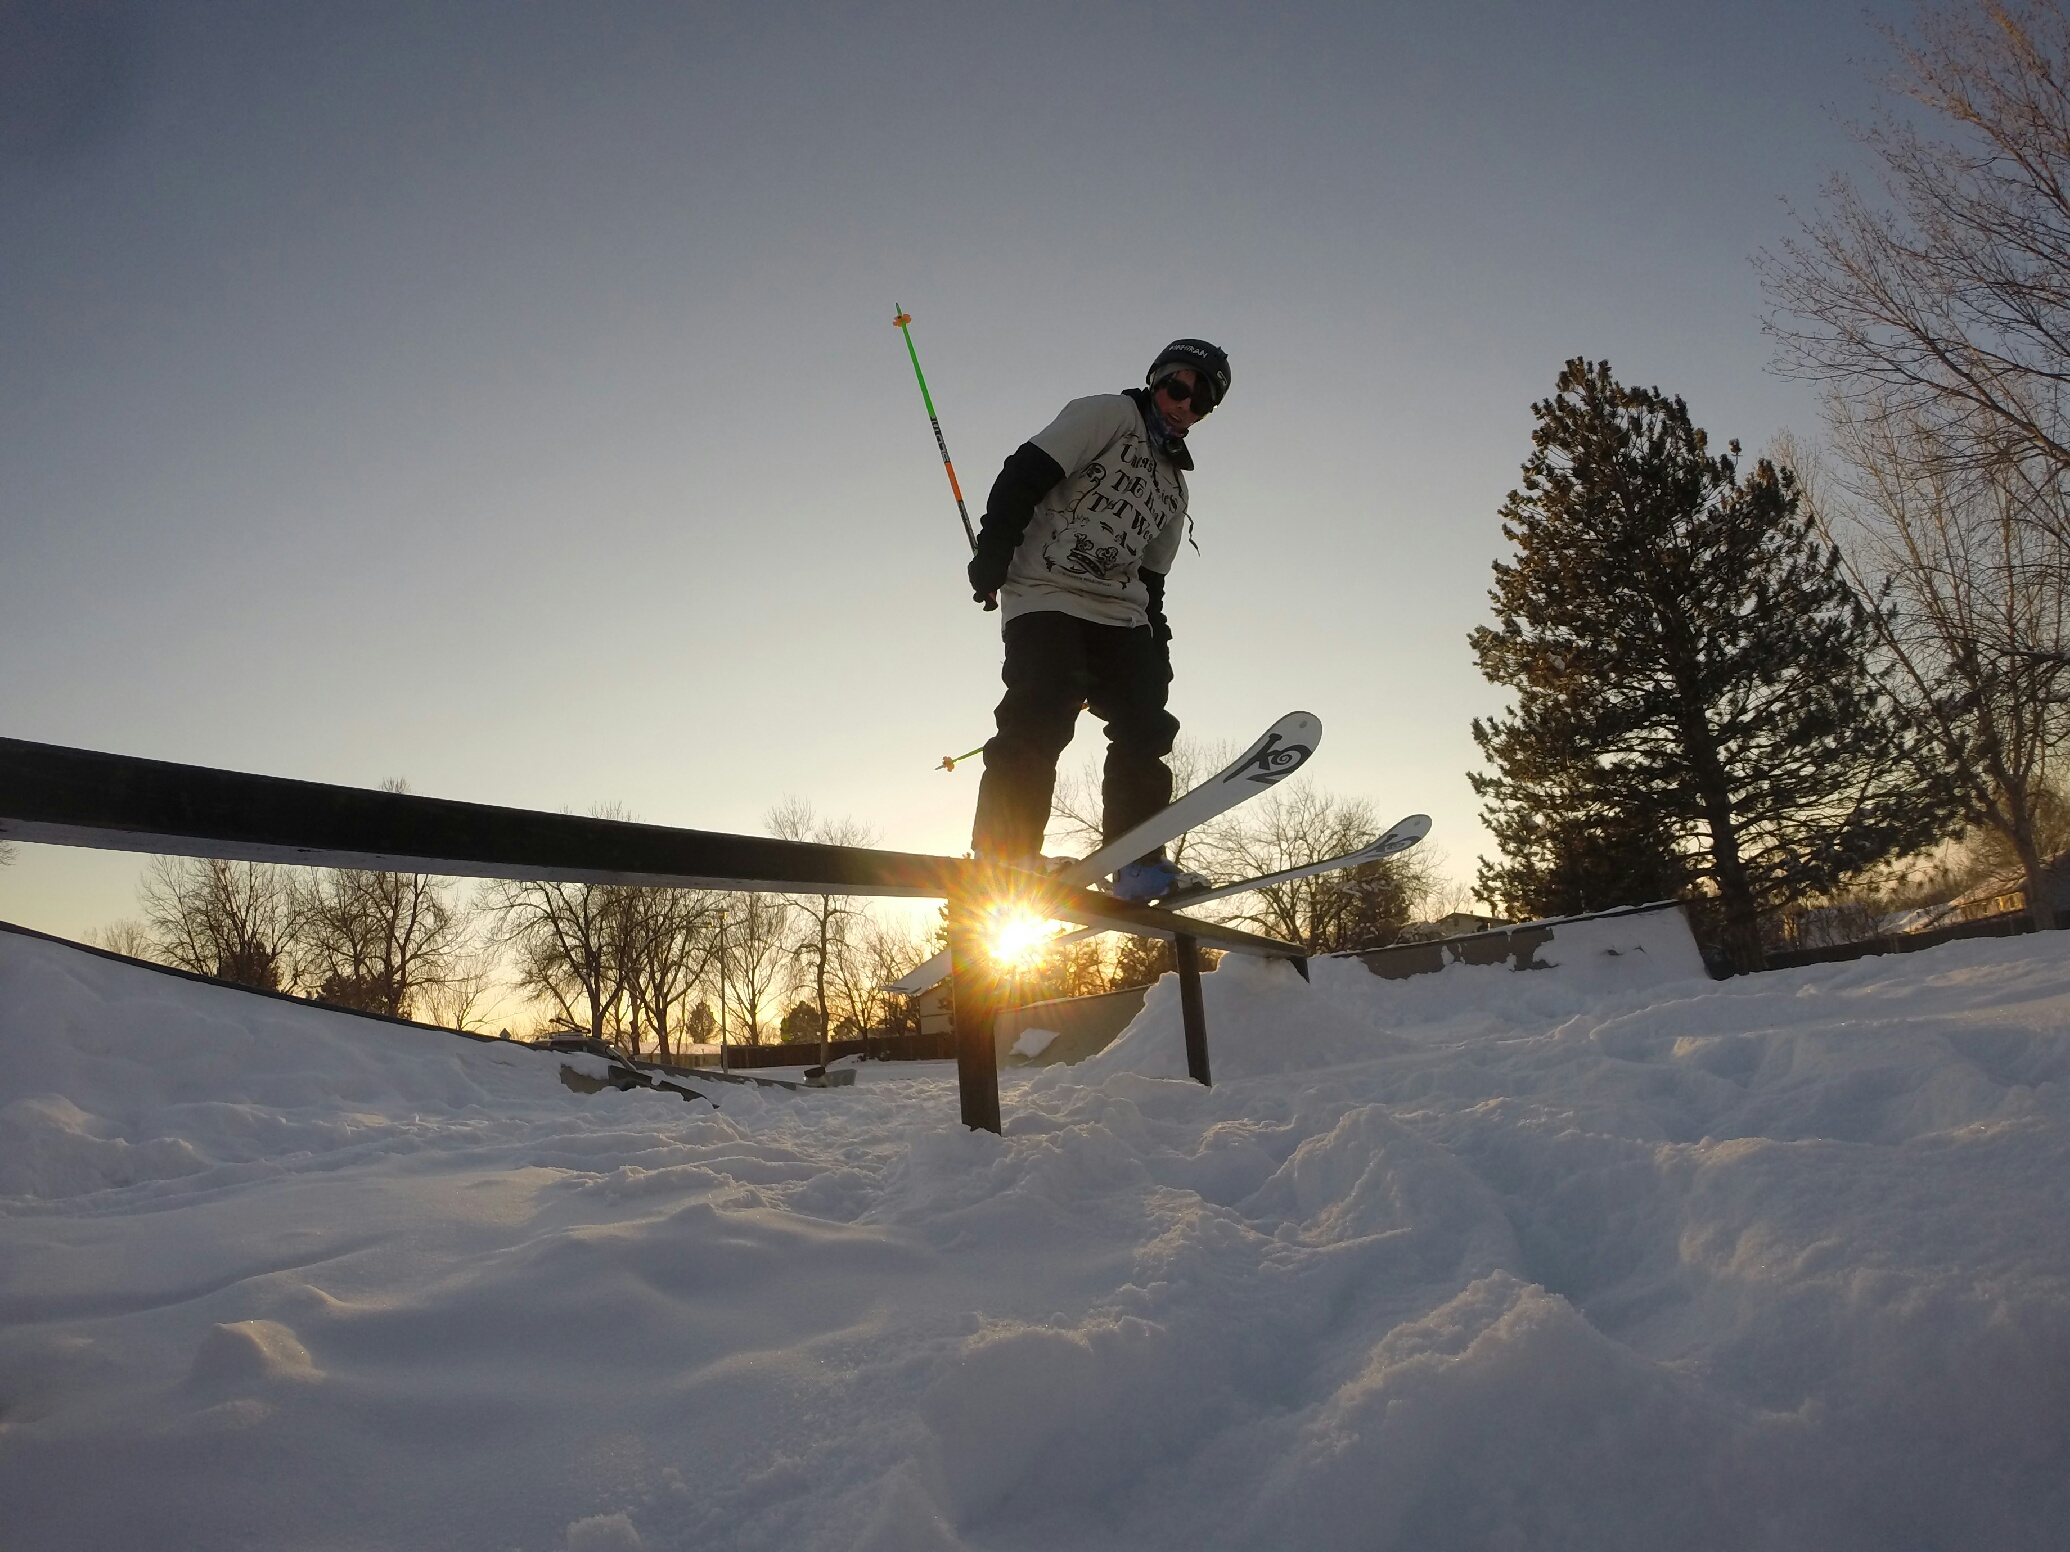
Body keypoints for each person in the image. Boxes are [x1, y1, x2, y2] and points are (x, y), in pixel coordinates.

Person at [965, 338, 1231, 902]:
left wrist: (1156, 639)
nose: (1183, 405)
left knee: (1146, 724)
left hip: (1121, 611)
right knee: (1041, 708)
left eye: (1199, 402)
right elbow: (1024, 473)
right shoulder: (1107, 414)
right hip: (1046, 590)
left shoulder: (1175, 485)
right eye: (1176, 387)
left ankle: (1136, 861)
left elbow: (1152, 577)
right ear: (1156, 379)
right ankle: (1005, 854)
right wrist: (993, 555)